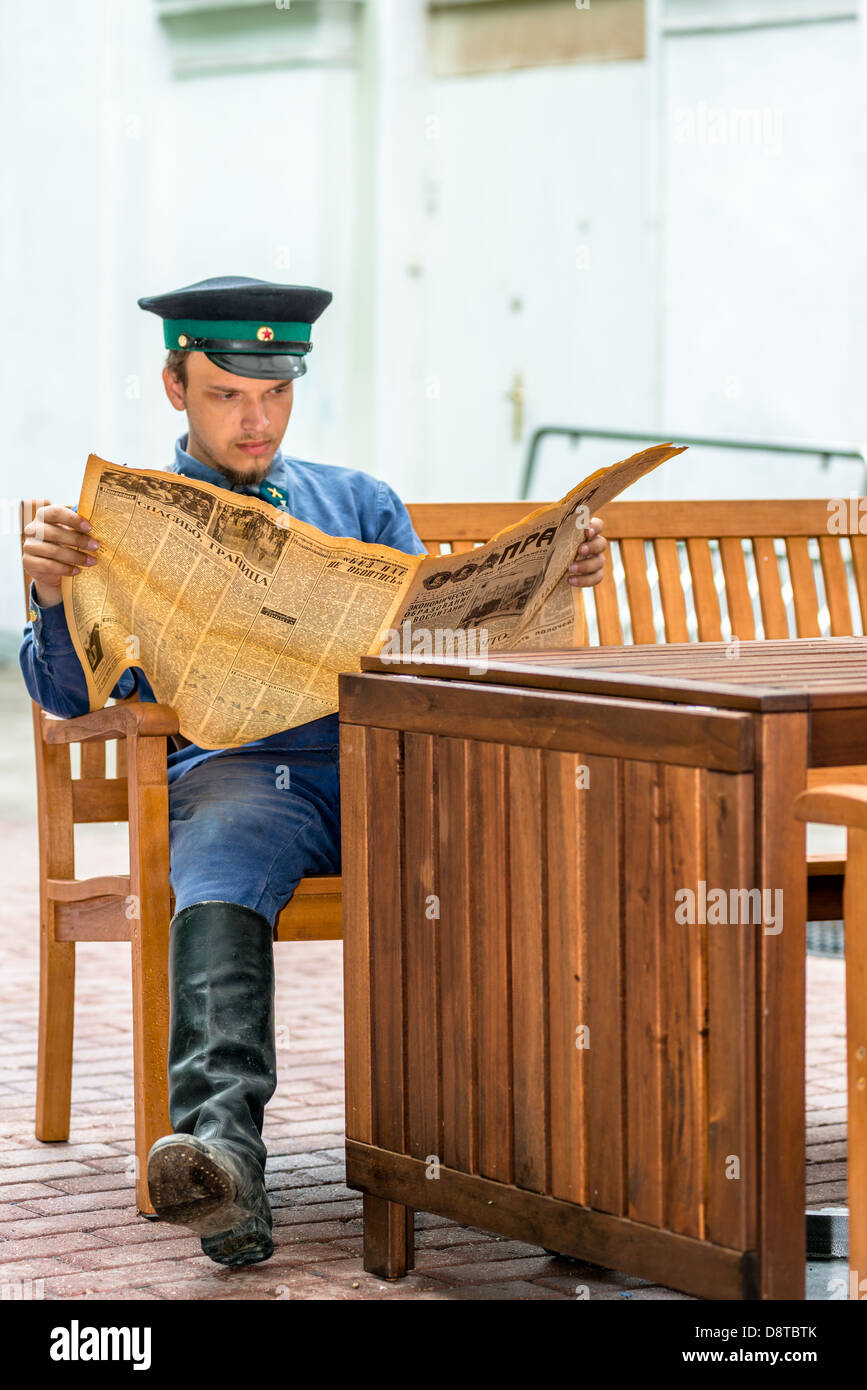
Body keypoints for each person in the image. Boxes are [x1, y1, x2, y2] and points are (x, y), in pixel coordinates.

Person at [19, 275, 609, 1268]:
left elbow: (441, 655)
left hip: (382, 765)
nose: (257, 420)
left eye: (276, 393)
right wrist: (46, 589)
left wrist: (548, 580)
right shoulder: (116, 521)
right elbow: (72, 700)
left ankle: (545, 1171)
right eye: (226, 395)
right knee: (224, 853)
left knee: (522, 838)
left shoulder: (360, 502)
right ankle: (222, 1161)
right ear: (175, 386)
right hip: (240, 779)